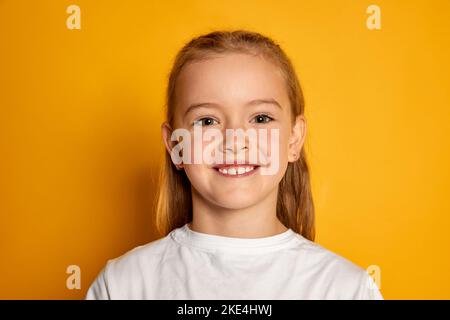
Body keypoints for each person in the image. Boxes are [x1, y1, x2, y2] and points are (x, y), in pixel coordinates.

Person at [86, 30, 383, 300]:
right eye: (207, 121)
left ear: (293, 139)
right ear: (176, 144)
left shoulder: (346, 290)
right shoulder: (123, 285)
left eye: (261, 118)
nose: (234, 141)